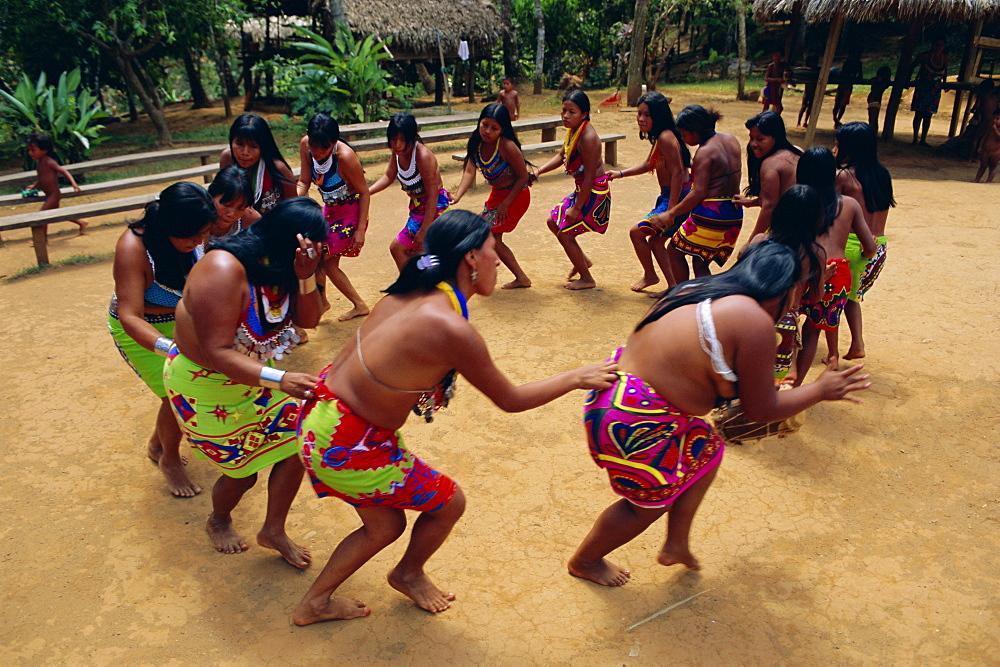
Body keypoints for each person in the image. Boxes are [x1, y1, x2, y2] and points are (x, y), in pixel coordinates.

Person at [291, 210, 616, 623]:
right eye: (492, 250)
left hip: (321, 418)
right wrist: (576, 377)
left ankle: (315, 603)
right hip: (348, 442)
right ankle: (407, 573)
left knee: (385, 526)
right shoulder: (448, 325)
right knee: (447, 503)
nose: (498, 259)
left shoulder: (413, 289)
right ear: (471, 259)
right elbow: (511, 400)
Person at [568, 242, 871, 586]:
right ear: (787, 289)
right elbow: (761, 410)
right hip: (635, 421)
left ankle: (676, 544)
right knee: (646, 506)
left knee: (705, 451)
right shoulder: (754, 320)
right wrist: (818, 391)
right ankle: (585, 561)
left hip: (618, 397)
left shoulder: (699, 289)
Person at [163, 197, 326, 565]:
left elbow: (311, 320)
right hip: (204, 385)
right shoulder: (222, 268)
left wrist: (305, 276)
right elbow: (218, 351)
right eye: (313, 246)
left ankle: (273, 529)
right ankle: (218, 520)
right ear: (289, 240)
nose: (317, 252)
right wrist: (278, 378)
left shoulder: (284, 267)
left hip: (255, 379)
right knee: (242, 473)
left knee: (297, 442)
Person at [108, 182, 216, 497]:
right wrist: (166, 347)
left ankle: (158, 444)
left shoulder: (195, 235)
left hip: (182, 320)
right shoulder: (132, 248)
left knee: (190, 386)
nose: (200, 241)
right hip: (141, 328)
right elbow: (130, 315)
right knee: (176, 393)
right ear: (169, 227)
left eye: (203, 234)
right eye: (192, 237)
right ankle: (169, 459)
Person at [794, 147, 876, 381]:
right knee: (813, 331)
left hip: (801, 266)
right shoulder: (849, 205)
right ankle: (797, 386)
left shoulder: (797, 198)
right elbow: (869, 246)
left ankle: (784, 377)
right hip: (837, 275)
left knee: (788, 322)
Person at [607, 91, 692, 292]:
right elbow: (648, 164)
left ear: (658, 116)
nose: (641, 119)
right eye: (639, 114)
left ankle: (651, 275)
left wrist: (671, 210)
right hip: (670, 196)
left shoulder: (665, 137)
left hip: (677, 197)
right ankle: (670, 284)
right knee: (655, 241)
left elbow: (679, 172)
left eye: (646, 115)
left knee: (636, 233)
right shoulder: (660, 137)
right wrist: (619, 174)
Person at [296, 113, 371, 321]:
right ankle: (351, 304)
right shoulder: (306, 146)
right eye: (314, 145)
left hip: (351, 213)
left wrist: (360, 230)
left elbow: (364, 192)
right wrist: (291, 203)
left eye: (323, 147)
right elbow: (303, 181)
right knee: (324, 260)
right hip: (329, 211)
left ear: (334, 143)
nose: (317, 152)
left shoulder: (345, 157)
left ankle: (325, 303)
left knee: (321, 255)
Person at [658, 105, 743, 287]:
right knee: (700, 260)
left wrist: (670, 213)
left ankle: (682, 296)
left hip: (711, 214)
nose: (683, 138)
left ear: (695, 132)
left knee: (673, 251)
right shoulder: (731, 140)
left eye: (684, 134)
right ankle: (702, 299)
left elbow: (699, 193)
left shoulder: (703, 153)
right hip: (734, 213)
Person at [535, 90, 612, 290]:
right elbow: (562, 155)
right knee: (553, 221)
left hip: (594, 193)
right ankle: (582, 261)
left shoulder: (588, 137)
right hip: (583, 190)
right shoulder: (574, 131)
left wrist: (576, 208)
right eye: (564, 111)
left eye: (572, 112)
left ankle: (587, 279)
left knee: (565, 234)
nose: (566, 116)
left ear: (584, 114)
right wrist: (539, 171)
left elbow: (589, 176)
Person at [450, 103, 532, 289]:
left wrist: (506, 204)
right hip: (497, 195)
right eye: (484, 125)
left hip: (515, 196)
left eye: (494, 128)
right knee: (489, 237)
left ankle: (507, 277)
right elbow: (469, 172)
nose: (487, 131)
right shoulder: (476, 143)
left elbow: (523, 178)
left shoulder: (507, 146)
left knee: (490, 237)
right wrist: (458, 195)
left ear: (502, 130)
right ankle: (519, 277)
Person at [834, 122, 895, 361]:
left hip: (852, 245)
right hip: (878, 247)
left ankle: (833, 352)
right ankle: (857, 343)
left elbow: (830, 210)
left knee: (835, 297)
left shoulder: (845, 177)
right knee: (851, 297)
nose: (834, 150)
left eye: (838, 145)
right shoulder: (882, 175)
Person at [369, 113, 450, 270]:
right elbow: (388, 176)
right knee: (417, 253)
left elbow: (433, 194)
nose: (397, 144)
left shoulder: (422, 156)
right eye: (393, 139)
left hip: (432, 208)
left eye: (402, 140)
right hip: (417, 207)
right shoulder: (398, 152)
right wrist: (366, 192)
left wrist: (425, 228)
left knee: (399, 248)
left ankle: (415, 286)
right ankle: (424, 283)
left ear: (411, 138)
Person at [733, 111, 803, 243]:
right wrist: (753, 202)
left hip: (786, 231)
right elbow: (783, 195)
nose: (753, 144)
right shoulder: (797, 150)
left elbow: (770, 206)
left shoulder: (770, 164)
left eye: (760, 139)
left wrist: (750, 243)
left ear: (776, 137)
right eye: (751, 138)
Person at [219, 114, 297, 222]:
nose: (245, 152)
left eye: (253, 146)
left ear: (263, 147)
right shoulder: (228, 159)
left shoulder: (277, 169)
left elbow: (295, 209)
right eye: (239, 144)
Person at [24, 132, 88, 237]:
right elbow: (42, 178)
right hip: (49, 195)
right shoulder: (39, 162)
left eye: (33, 150)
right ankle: (81, 222)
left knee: (42, 216)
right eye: (29, 150)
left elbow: (64, 171)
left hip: (53, 195)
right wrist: (34, 186)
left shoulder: (49, 162)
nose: (30, 153)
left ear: (44, 150)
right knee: (59, 214)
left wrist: (74, 183)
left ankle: (42, 239)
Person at [196, 166, 252, 259]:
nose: (232, 214)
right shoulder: (195, 215)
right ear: (211, 195)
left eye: (240, 208)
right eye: (227, 205)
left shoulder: (250, 220)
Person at [910, 39, 948, 147]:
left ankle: (923, 139)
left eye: (941, 45)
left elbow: (946, 71)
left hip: (935, 89)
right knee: (919, 113)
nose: (938, 47)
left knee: (928, 115)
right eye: (936, 44)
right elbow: (912, 66)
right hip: (923, 87)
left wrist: (944, 84)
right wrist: (908, 79)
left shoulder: (944, 58)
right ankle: (915, 138)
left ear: (944, 46)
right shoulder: (925, 56)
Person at [833, 53, 863, 129]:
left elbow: (860, 75)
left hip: (846, 85)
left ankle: (836, 120)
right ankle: (836, 119)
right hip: (845, 84)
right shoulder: (851, 63)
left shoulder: (856, 63)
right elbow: (859, 75)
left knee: (841, 104)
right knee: (839, 104)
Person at [973, 109, 1000, 183]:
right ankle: (977, 179)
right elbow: (984, 137)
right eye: (993, 118)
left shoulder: (996, 129)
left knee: (992, 167)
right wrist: (980, 146)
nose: (995, 120)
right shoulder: (990, 127)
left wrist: (995, 130)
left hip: (996, 152)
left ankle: (988, 181)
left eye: (997, 119)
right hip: (985, 150)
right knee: (982, 166)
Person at [796, 55, 820, 128]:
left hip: (813, 92)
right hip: (808, 91)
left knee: (810, 107)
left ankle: (805, 121)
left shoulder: (816, 70)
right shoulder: (807, 71)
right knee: (803, 107)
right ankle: (799, 122)